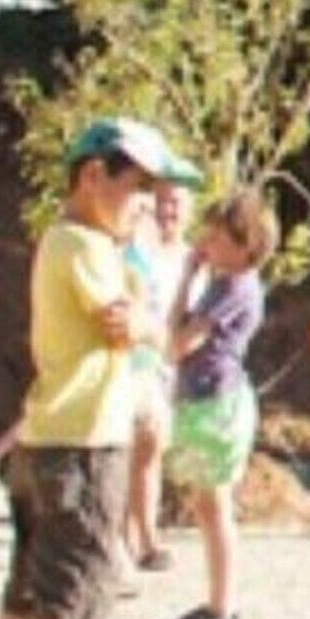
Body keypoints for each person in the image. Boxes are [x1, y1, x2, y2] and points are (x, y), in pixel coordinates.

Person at [0, 117, 202, 619]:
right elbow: (124, 324)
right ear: (92, 177)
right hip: (85, 439)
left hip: (50, 434)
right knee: (65, 583)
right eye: (137, 189)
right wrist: (143, 317)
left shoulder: (71, 243)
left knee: (27, 583)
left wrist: (139, 307)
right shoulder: (82, 243)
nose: (147, 207)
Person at [155, 188, 280, 619]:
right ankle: (217, 601)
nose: (206, 239)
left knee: (216, 507)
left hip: (217, 402)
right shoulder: (218, 283)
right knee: (210, 507)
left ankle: (222, 605)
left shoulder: (235, 287)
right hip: (203, 399)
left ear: (245, 245)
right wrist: (188, 277)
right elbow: (177, 333)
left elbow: (179, 343)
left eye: (217, 234)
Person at [121, 180, 198, 574]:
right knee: (123, 447)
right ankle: (129, 539)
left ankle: (143, 534)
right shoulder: (131, 251)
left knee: (151, 450)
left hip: (164, 365)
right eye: (161, 202)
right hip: (128, 360)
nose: (167, 211)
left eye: (176, 203)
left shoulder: (193, 261)